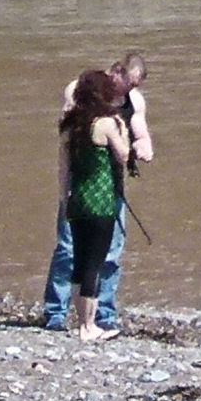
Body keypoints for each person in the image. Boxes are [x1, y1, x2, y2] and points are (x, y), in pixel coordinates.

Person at [38, 52, 153, 333]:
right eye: (129, 83)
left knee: (111, 254)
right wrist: (64, 191)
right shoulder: (80, 90)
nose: (130, 89)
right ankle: (56, 312)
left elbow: (141, 135)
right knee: (68, 250)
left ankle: (104, 313)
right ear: (117, 72)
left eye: (135, 85)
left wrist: (144, 146)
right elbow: (67, 136)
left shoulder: (133, 101)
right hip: (82, 181)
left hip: (112, 185)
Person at [54, 67, 133, 340]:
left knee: (79, 261)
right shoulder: (107, 124)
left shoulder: (70, 126)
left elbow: (64, 169)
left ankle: (80, 322)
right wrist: (123, 129)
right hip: (100, 200)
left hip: (77, 198)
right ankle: (89, 326)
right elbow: (123, 155)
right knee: (95, 263)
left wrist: (64, 199)